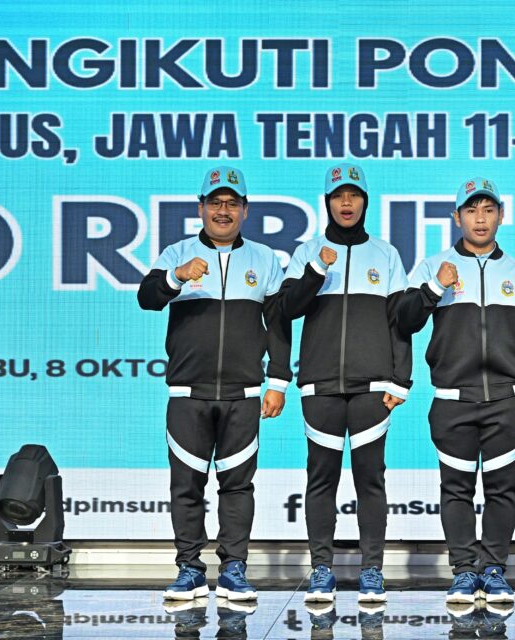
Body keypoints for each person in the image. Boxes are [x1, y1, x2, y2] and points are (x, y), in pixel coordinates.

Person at [138, 166, 292, 601]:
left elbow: (278, 323)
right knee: (186, 486)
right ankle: (189, 568)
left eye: (232, 203)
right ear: (201, 208)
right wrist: (177, 276)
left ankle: (234, 568)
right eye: (215, 203)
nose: (223, 211)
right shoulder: (177, 253)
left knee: (238, 486)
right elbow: (147, 298)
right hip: (188, 394)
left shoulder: (265, 259)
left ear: (245, 210)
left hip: (243, 395)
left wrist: (279, 381)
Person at [398, 177, 515, 604]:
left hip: (507, 400)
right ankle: (464, 570)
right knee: (456, 489)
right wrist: (433, 287)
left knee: (502, 489)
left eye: (488, 210)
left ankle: (495, 569)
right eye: (471, 210)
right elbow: (404, 320)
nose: (480, 219)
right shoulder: (433, 266)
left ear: (501, 216)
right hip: (452, 401)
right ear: (456, 217)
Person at [280, 163, 412, 603]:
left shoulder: (386, 254)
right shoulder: (307, 252)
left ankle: (372, 569)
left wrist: (401, 379)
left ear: (365, 201)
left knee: (371, 479)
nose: (346, 203)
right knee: (321, 478)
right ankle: (322, 568)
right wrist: (317, 269)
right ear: (327, 203)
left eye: (354, 195)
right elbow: (288, 309)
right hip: (319, 386)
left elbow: (400, 323)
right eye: (338, 196)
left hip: (373, 387)